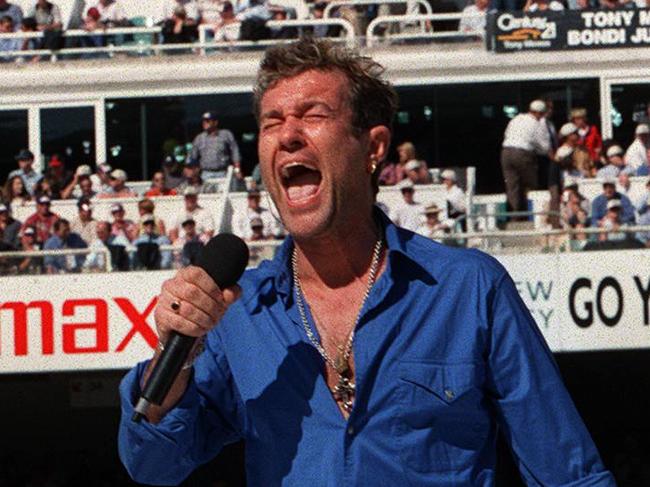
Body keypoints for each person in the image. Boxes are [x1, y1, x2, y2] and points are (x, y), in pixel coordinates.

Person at [118, 38, 614, 486]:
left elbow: (569, 474)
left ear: (373, 147)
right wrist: (176, 356)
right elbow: (153, 465)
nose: (287, 135)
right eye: (271, 122)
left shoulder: (469, 289)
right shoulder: (237, 314)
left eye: (312, 115)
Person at [500, 100, 552, 218]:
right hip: (523, 153)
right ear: (539, 113)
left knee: (512, 185)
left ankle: (515, 214)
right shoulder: (536, 123)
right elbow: (544, 146)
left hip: (506, 152)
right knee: (530, 183)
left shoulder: (517, 118)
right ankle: (531, 214)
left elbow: (507, 133)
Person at [190, 111, 242, 180]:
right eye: (203, 121)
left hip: (223, 172)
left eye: (208, 121)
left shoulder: (226, 134)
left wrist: (237, 170)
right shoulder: (199, 138)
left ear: (215, 122)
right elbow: (193, 156)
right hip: (206, 173)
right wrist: (194, 172)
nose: (205, 123)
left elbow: (235, 153)